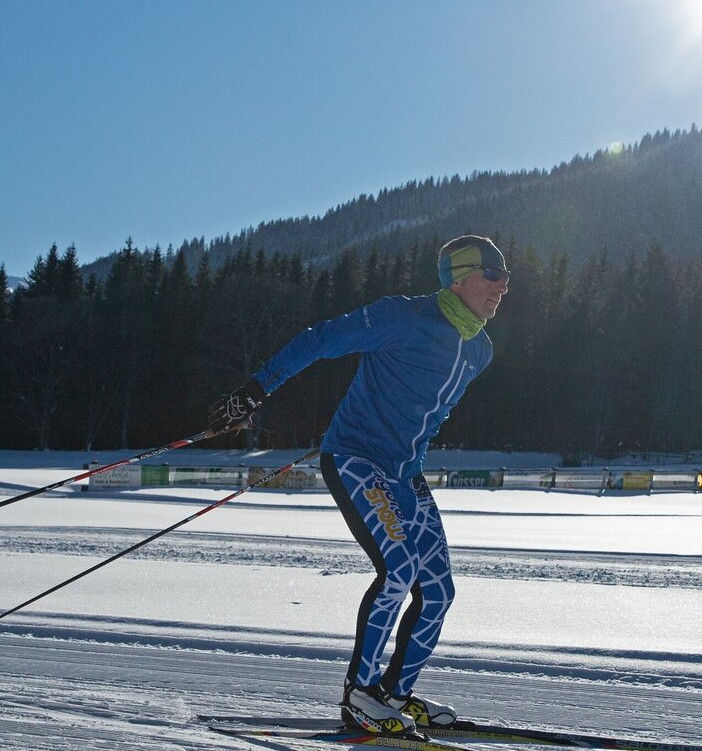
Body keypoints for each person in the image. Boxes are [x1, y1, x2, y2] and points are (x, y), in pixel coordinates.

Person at [208, 236, 510, 734]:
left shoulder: (480, 350)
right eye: (493, 274)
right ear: (458, 278)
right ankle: (360, 696)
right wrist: (256, 389)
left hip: (405, 473)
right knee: (399, 569)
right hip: (356, 459)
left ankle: (395, 694)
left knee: (438, 591)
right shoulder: (402, 317)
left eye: (507, 278)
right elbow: (320, 340)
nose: (503, 287)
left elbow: (422, 410)